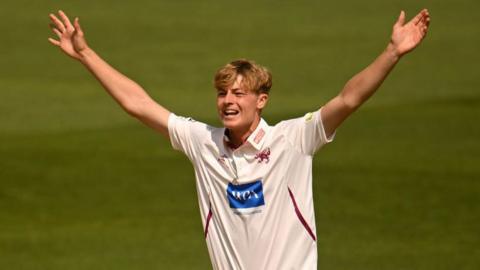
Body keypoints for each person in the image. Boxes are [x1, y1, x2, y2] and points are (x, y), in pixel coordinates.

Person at [48, 9, 430, 270]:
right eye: (222, 94)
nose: (228, 101)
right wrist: (85, 54)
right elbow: (139, 104)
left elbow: (348, 99)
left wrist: (392, 52)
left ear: (261, 100)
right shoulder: (204, 143)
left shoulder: (293, 138)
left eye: (239, 93)